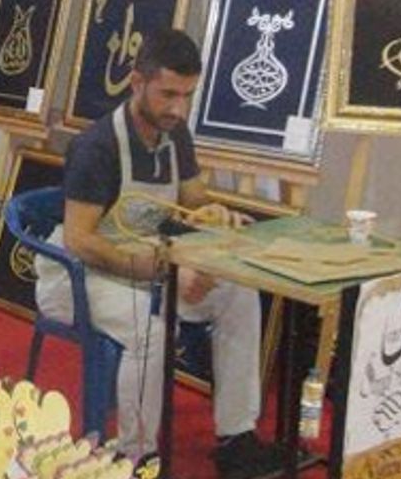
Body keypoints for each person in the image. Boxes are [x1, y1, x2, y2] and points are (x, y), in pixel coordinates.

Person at [35, 29, 282, 479]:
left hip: (146, 264)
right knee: (150, 329)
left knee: (238, 295)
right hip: (76, 275)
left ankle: (237, 437)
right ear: (137, 82)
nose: (178, 108)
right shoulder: (97, 147)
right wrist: (163, 272)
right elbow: (80, 239)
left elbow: (191, 201)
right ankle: (138, 458)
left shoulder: (175, 133)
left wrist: (212, 216)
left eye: (187, 95)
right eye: (168, 94)